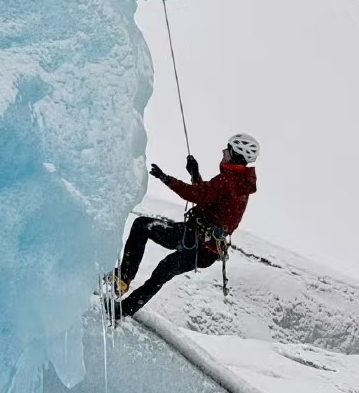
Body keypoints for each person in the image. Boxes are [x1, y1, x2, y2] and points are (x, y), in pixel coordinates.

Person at [103, 133, 259, 320]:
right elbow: (209, 196)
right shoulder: (238, 182)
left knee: (144, 229)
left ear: (236, 155)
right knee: (162, 269)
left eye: (228, 149)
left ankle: (122, 282)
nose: (224, 151)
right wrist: (195, 174)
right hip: (203, 247)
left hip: (196, 242)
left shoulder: (229, 181)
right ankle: (121, 308)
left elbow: (198, 195)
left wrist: (166, 179)